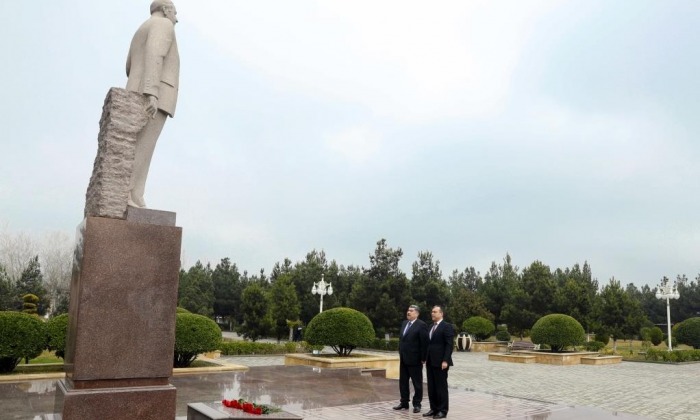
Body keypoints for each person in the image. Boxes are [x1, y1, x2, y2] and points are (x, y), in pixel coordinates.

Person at [125, 0, 180, 208]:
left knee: (142, 146)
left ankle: (136, 194)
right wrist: (151, 92)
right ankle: (127, 193)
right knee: (142, 146)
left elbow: (129, 65)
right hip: (152, 94)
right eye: (175, 12)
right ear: (166, 10)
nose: (177, 17)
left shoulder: (142, 27)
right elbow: (155, 54)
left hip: (136, 88)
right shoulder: (163, 25)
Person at [393, 305, 428, 413]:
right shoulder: (404, 323)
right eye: (408, 310)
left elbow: (424, 343)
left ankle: (417, 404)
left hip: (415, 360)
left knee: (417, 383)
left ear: (417, 313)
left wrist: (423, 358)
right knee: (403, 382)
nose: (408, 312)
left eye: (411, 311)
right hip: (403, 358)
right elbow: (402, 340)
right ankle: (404, 402)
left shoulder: (421, 325)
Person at [423, 305, 454, 419]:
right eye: (432, 312)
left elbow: (449, 345)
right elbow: (429, 344)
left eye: (435, 312)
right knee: (431, 386)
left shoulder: (447, 326)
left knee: (441, 387)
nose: (432, 313)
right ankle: (434, 408)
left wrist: (445, 360)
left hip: (441, 362)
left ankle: (443, 410)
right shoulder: (431, 326)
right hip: (430, 361)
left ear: (441, 314)